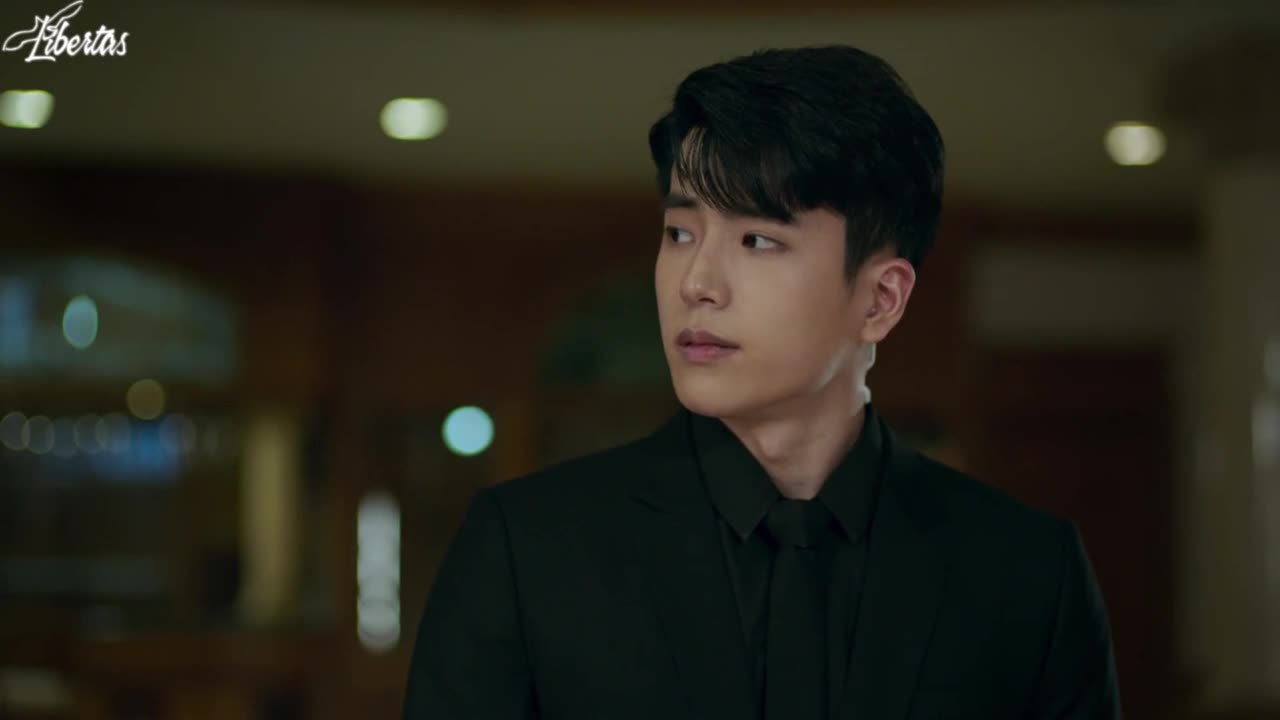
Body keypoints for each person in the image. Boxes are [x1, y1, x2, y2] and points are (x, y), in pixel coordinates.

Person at [403, 45, 1121, 720]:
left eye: (757, 240)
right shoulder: (529, 551)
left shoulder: (1027, 573)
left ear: (880, 300)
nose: (697, 282)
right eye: (680, 233)